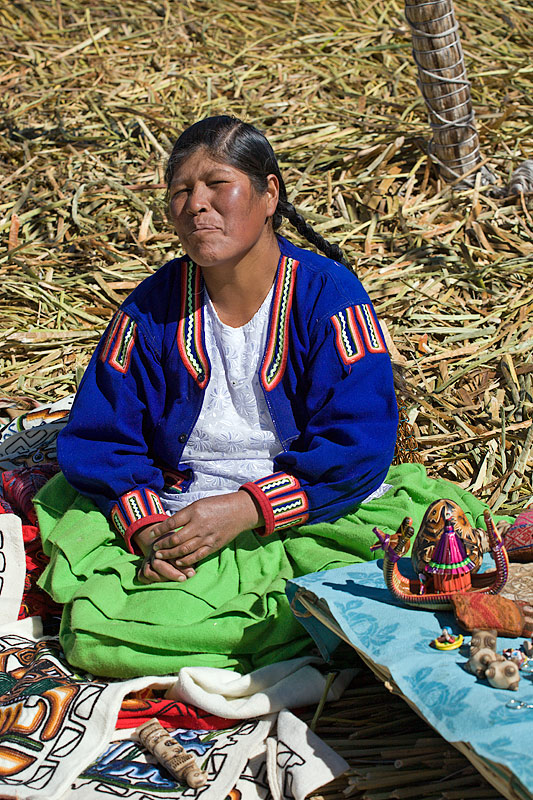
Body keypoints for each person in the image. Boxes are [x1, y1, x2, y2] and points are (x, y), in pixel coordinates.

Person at [35, 115, 507, 678]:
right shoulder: (150, 310)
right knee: (99, 637)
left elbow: (359, 440)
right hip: (181, 508)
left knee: (381, 589)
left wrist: (248, 508)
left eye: (217, 185)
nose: (197, 205)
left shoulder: (329, 296)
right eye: (181, 191)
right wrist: (147, 529)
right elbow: (101, 435)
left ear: (269, 194)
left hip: (310, 507)